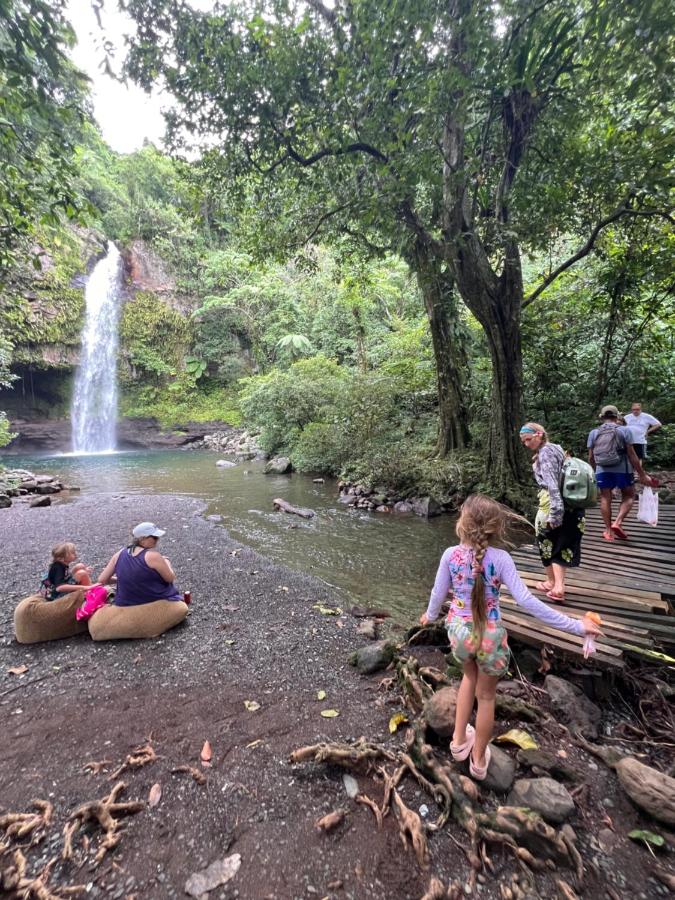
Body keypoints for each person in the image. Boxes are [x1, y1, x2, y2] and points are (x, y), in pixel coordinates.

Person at [419, 495, 600, 781]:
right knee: (487, 696)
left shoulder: (449, 555)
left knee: (467, 677)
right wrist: (577, 626)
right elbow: (529, 602)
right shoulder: (501, 559)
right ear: (494, 527)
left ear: (462, 524)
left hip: (458, 632)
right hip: (489, 636)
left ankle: (457, 743)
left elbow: (437, 594)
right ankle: (478, 761)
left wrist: (429, 616)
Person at [88, 522, 189, 641]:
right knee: (181, 608)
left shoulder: (119, 554)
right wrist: (167, 562)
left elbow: (102, 580)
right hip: (150, 600)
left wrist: (121, 579)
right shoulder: (153, 556)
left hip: (125, 603)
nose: (157, 540)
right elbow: (170, 578)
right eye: (154, 537)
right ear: (142, 539)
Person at [519, 423, 583, 602]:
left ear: (539, 434)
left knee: (547, 543)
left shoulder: (546, 453)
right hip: (571, 503)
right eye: (524, 442)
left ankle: (556, 585)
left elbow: (552, 485)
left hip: (552, 504)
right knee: (562, 544)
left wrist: (555, 513)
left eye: (528, 439)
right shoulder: (556, 448)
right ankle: (554, 583)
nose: (526, 444)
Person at [588, 405, 650, 541]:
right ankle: (618, 522)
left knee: (605, 498)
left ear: (602, 417)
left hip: (602, 470)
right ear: (616, 417)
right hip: (623, 469)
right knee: (629, 495)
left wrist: (593, 472)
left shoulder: (594, 433)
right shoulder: (625, 431)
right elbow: (632, 455)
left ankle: (608, 531)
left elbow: (591, 457)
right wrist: (642, 474)